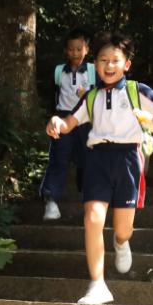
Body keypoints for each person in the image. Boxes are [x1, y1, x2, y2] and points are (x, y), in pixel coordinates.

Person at [46, 31, 153, 305]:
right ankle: (98, 284)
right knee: (92, 218)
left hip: (128, 159)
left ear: (126, 64)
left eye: (115, 60)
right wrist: (57, 123)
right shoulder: (90, 97)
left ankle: (121, 242)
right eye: (103, 60)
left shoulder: (137, 90)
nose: (109, 65)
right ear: (96, 64)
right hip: (97, 159)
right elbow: (70, 122)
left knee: (123, 227)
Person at [39, 29, 94, 221]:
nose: (76, 53)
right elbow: (52, 95)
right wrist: (53, 116)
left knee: (88, 160)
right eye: (71, 49)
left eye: (79, 49)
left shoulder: (94, 70)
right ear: (66, 51)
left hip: (87, 120)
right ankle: (51, 201)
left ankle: (91, 201)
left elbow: (100, 97)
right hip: (63, 118)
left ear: (86, 49)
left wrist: (86, 96)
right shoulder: (58, 71)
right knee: (59, 157)